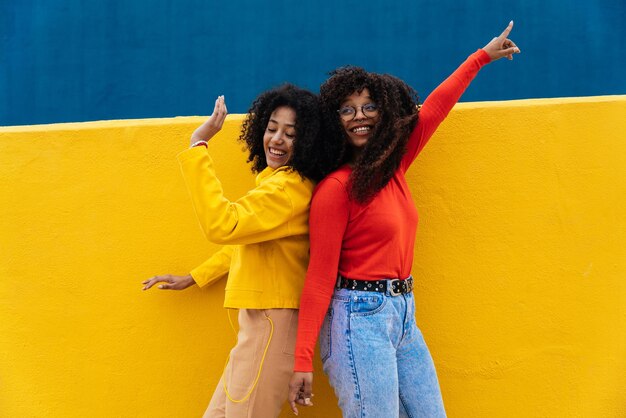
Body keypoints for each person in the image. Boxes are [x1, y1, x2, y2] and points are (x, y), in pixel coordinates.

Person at [288, 22, 521, 417]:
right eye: (346, 109)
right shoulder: (335, 189)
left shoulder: (392, 166)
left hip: (403, 313)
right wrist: (302, 359)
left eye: (368, 106)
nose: (358, 116)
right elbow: (319, 276)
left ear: (384, 111)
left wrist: (481, 57)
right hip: (357, 319)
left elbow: (433, 109)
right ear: (333, 121)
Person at [142, 84, 324, 418]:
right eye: (271, 129)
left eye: (290, 134)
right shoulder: (279, 185)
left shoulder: (286, 190)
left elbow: (223, 225)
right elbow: (248, 242)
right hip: (260, 325)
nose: (276, 140)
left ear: (309, 140)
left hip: (271, 325)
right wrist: (196, 277)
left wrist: (199, 144)